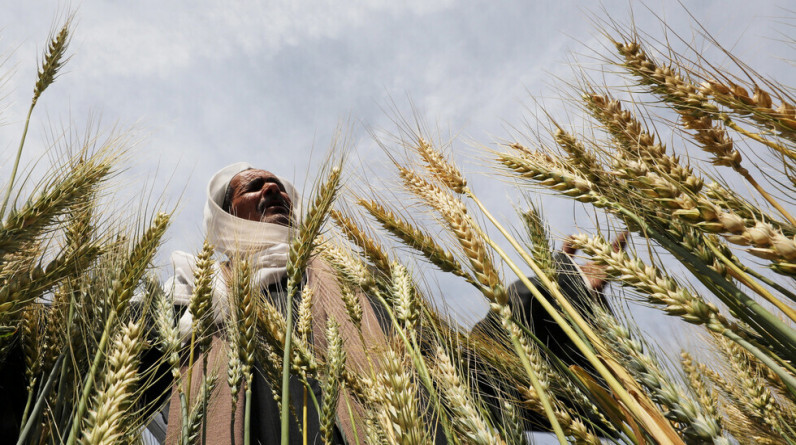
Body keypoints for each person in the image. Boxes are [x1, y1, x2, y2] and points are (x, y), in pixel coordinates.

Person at [158, 162, 624, 444]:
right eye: (254, 187)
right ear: (225, 214)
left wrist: (552, 293)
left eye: (278, 185)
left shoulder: (353, 280)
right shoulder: (191, 299)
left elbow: (460, 369)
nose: (273, 191)